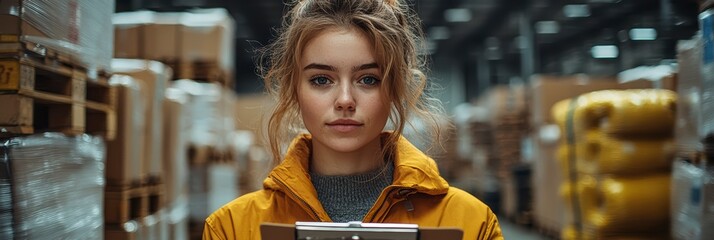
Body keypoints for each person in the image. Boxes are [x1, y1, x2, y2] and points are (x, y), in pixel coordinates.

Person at [203, 0, 504, 239]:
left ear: (394, 89)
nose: (345, 100)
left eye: (368, 80)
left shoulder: (472, 225)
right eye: (321, 80)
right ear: (294, 89)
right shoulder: (233, 229)